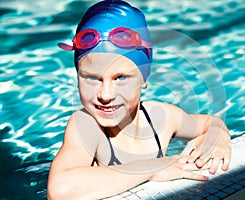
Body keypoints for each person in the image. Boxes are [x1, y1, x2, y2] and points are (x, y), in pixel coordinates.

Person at [47, 0, 231, 199]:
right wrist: (151, 167)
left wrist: (218, 136)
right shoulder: (86, 125)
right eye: (92, 78)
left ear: (143, 78)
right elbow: (60, 191)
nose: (105, 95)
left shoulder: (161, 117)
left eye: (121, 78)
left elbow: (209, 122)